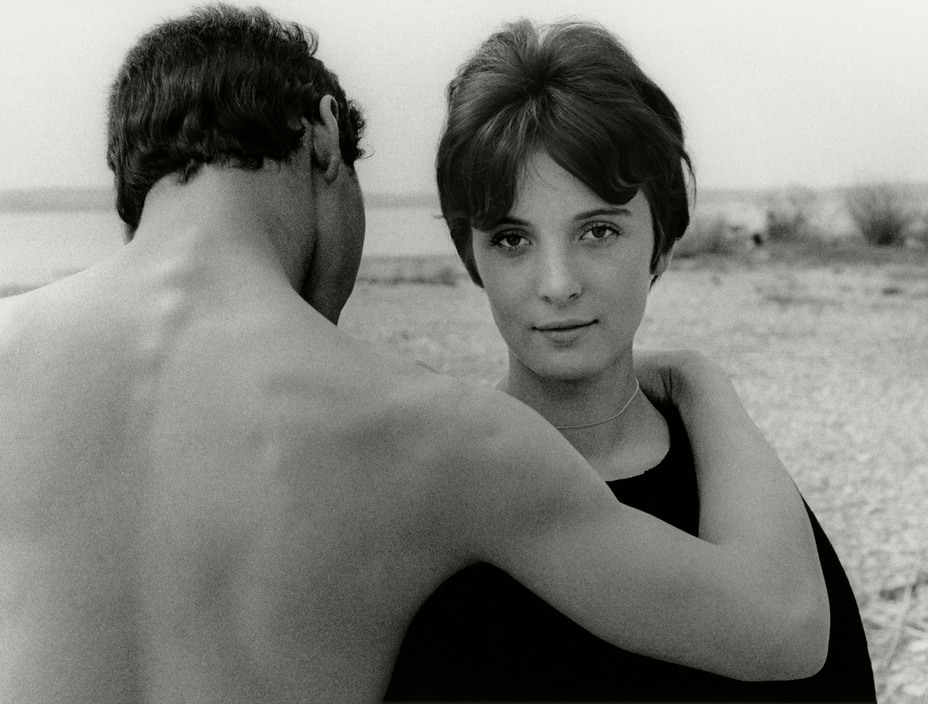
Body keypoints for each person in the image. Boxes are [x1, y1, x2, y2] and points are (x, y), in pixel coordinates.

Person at [0, 6, 829, 703]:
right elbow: (782, 626)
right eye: (509, 237)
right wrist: (700, 381)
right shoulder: (436, 431)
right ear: (324, 134)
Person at [386, 18, 875, 703]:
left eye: (598, 230)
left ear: (662, 245)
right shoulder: (429, 508)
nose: (557, 282)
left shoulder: (746, 510)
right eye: (510, 239)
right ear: (472, 258)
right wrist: (700, 379)